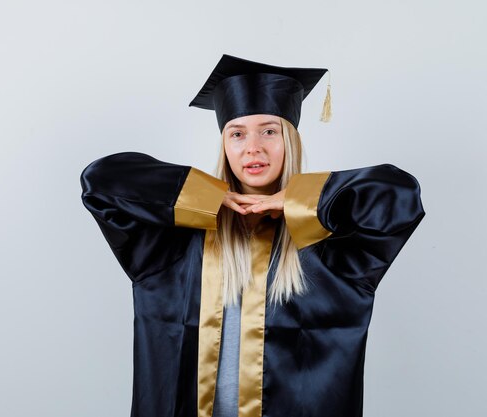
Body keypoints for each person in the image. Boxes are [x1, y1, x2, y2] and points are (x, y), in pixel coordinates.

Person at [80, 54, 426, 417]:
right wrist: (210, 197)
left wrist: (296, 201)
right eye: (237, 134)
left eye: (269, 131)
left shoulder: (329, 244)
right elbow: (100, 181)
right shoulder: (175, 242)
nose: (253, 148)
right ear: (224, 145)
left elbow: (400, 194)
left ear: (290, 140)